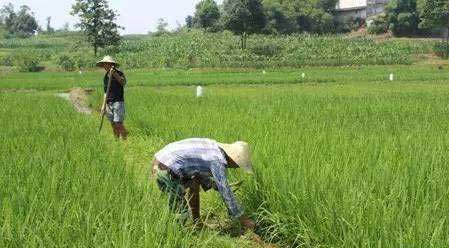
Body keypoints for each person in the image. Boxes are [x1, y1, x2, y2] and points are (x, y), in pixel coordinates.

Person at [152, 138, 256, 230]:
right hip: (166, 168)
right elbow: (226, 193)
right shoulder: (217, 161)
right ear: (233, 160)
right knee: (180, 212)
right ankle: (174, 235)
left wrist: (214, 184)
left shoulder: (214, 148)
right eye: (237, 165)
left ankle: (197, 222)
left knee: (194, 183)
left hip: (162, 160)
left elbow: (197, 173)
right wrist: (243, 219)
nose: (235, 167)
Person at [97, 56, 128, 140]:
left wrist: (114, 74)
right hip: (108, 103)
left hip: (118, 102)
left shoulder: (119, 73)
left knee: (118, 123)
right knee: (113, 124)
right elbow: (105, 92)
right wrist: (103, 106)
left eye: (106, 64)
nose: (104, 66)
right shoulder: (105, 77)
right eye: (103, 64)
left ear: (111, 64)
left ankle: (125, 140)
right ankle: (116, 141)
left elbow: (123, 83)